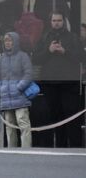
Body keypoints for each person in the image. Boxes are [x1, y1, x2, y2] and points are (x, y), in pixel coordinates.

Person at [33, 12, 83, 148]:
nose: (56, 23)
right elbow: (36, 59)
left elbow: (81, 57)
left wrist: (64, 51)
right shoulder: (45, 38)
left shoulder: (73, 38)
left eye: (59, 20)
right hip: (50, 85)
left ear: (63, 21)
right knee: (56, 118)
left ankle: (75, 148)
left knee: (72, 117)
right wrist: (48, 50)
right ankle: (60, 147)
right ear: (50, 22)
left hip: (69, 85)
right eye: (54, 20)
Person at [0, 31, 34, 148]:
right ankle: (12, 151)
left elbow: (28, 75)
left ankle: (26, 150)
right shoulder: (2, 59)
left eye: (10, 40)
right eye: (6, 40)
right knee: (9, 126)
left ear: (15, 42)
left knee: (23, 124)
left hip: (20, 97)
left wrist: (19, 87)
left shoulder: (23, 56)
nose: (8, 43)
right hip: (6, 98)